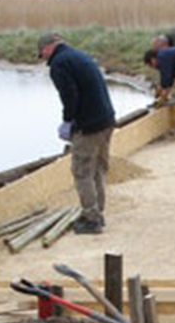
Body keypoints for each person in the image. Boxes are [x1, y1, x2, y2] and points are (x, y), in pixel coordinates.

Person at [38, 32, 116, 234]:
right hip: (106, 120)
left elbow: (69, 95)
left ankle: (92, 219)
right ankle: (98, 212)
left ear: (47, 48)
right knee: (97, 168)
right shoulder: (78, 56)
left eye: (42, 54)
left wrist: (68, 121)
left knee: (82, 171)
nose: (44, 58)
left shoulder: (59, 64)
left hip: (88, 125)